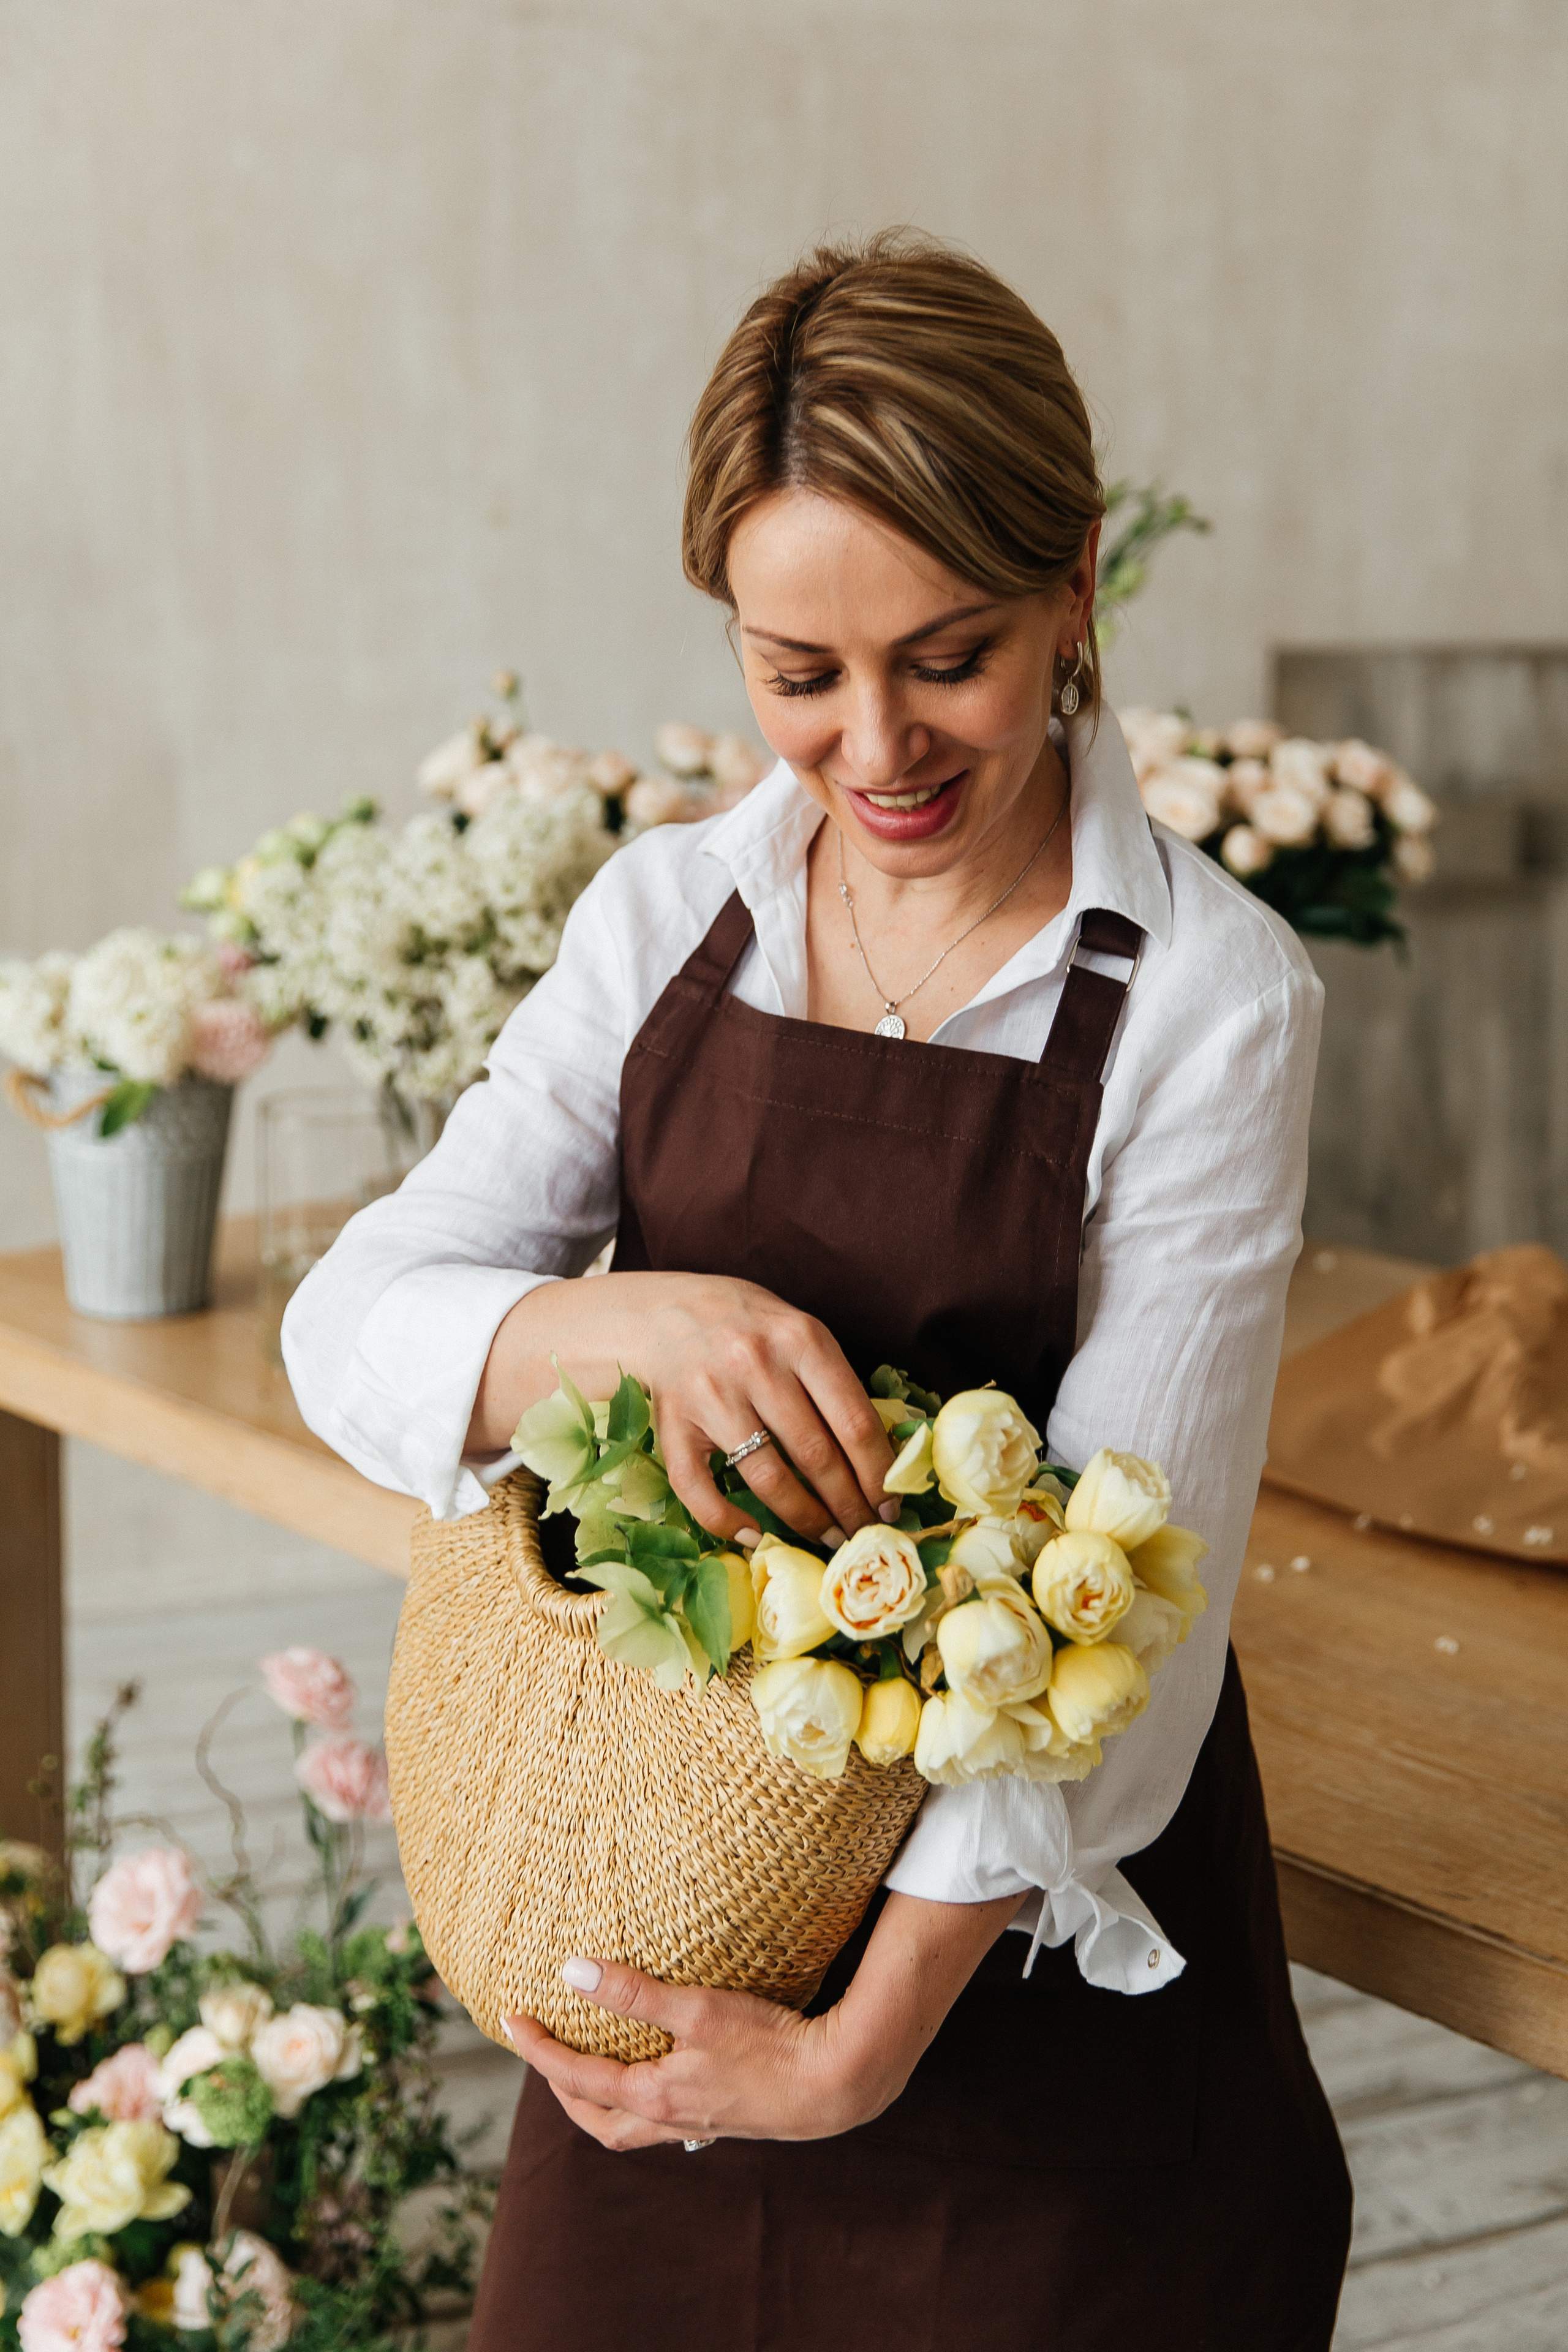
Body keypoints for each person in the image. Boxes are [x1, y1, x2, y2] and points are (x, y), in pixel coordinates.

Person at [284, 232, 1352, 2351]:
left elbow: (1131, 1633)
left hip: (1019, 2017)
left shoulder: (1211, 1001)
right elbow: (351, 1319)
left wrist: (850, 2052)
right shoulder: (666, 916)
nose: (877, 748)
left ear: (1075, 580)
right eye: (798, 674)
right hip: (668, 1977)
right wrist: (611, 1321)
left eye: (948, 657)